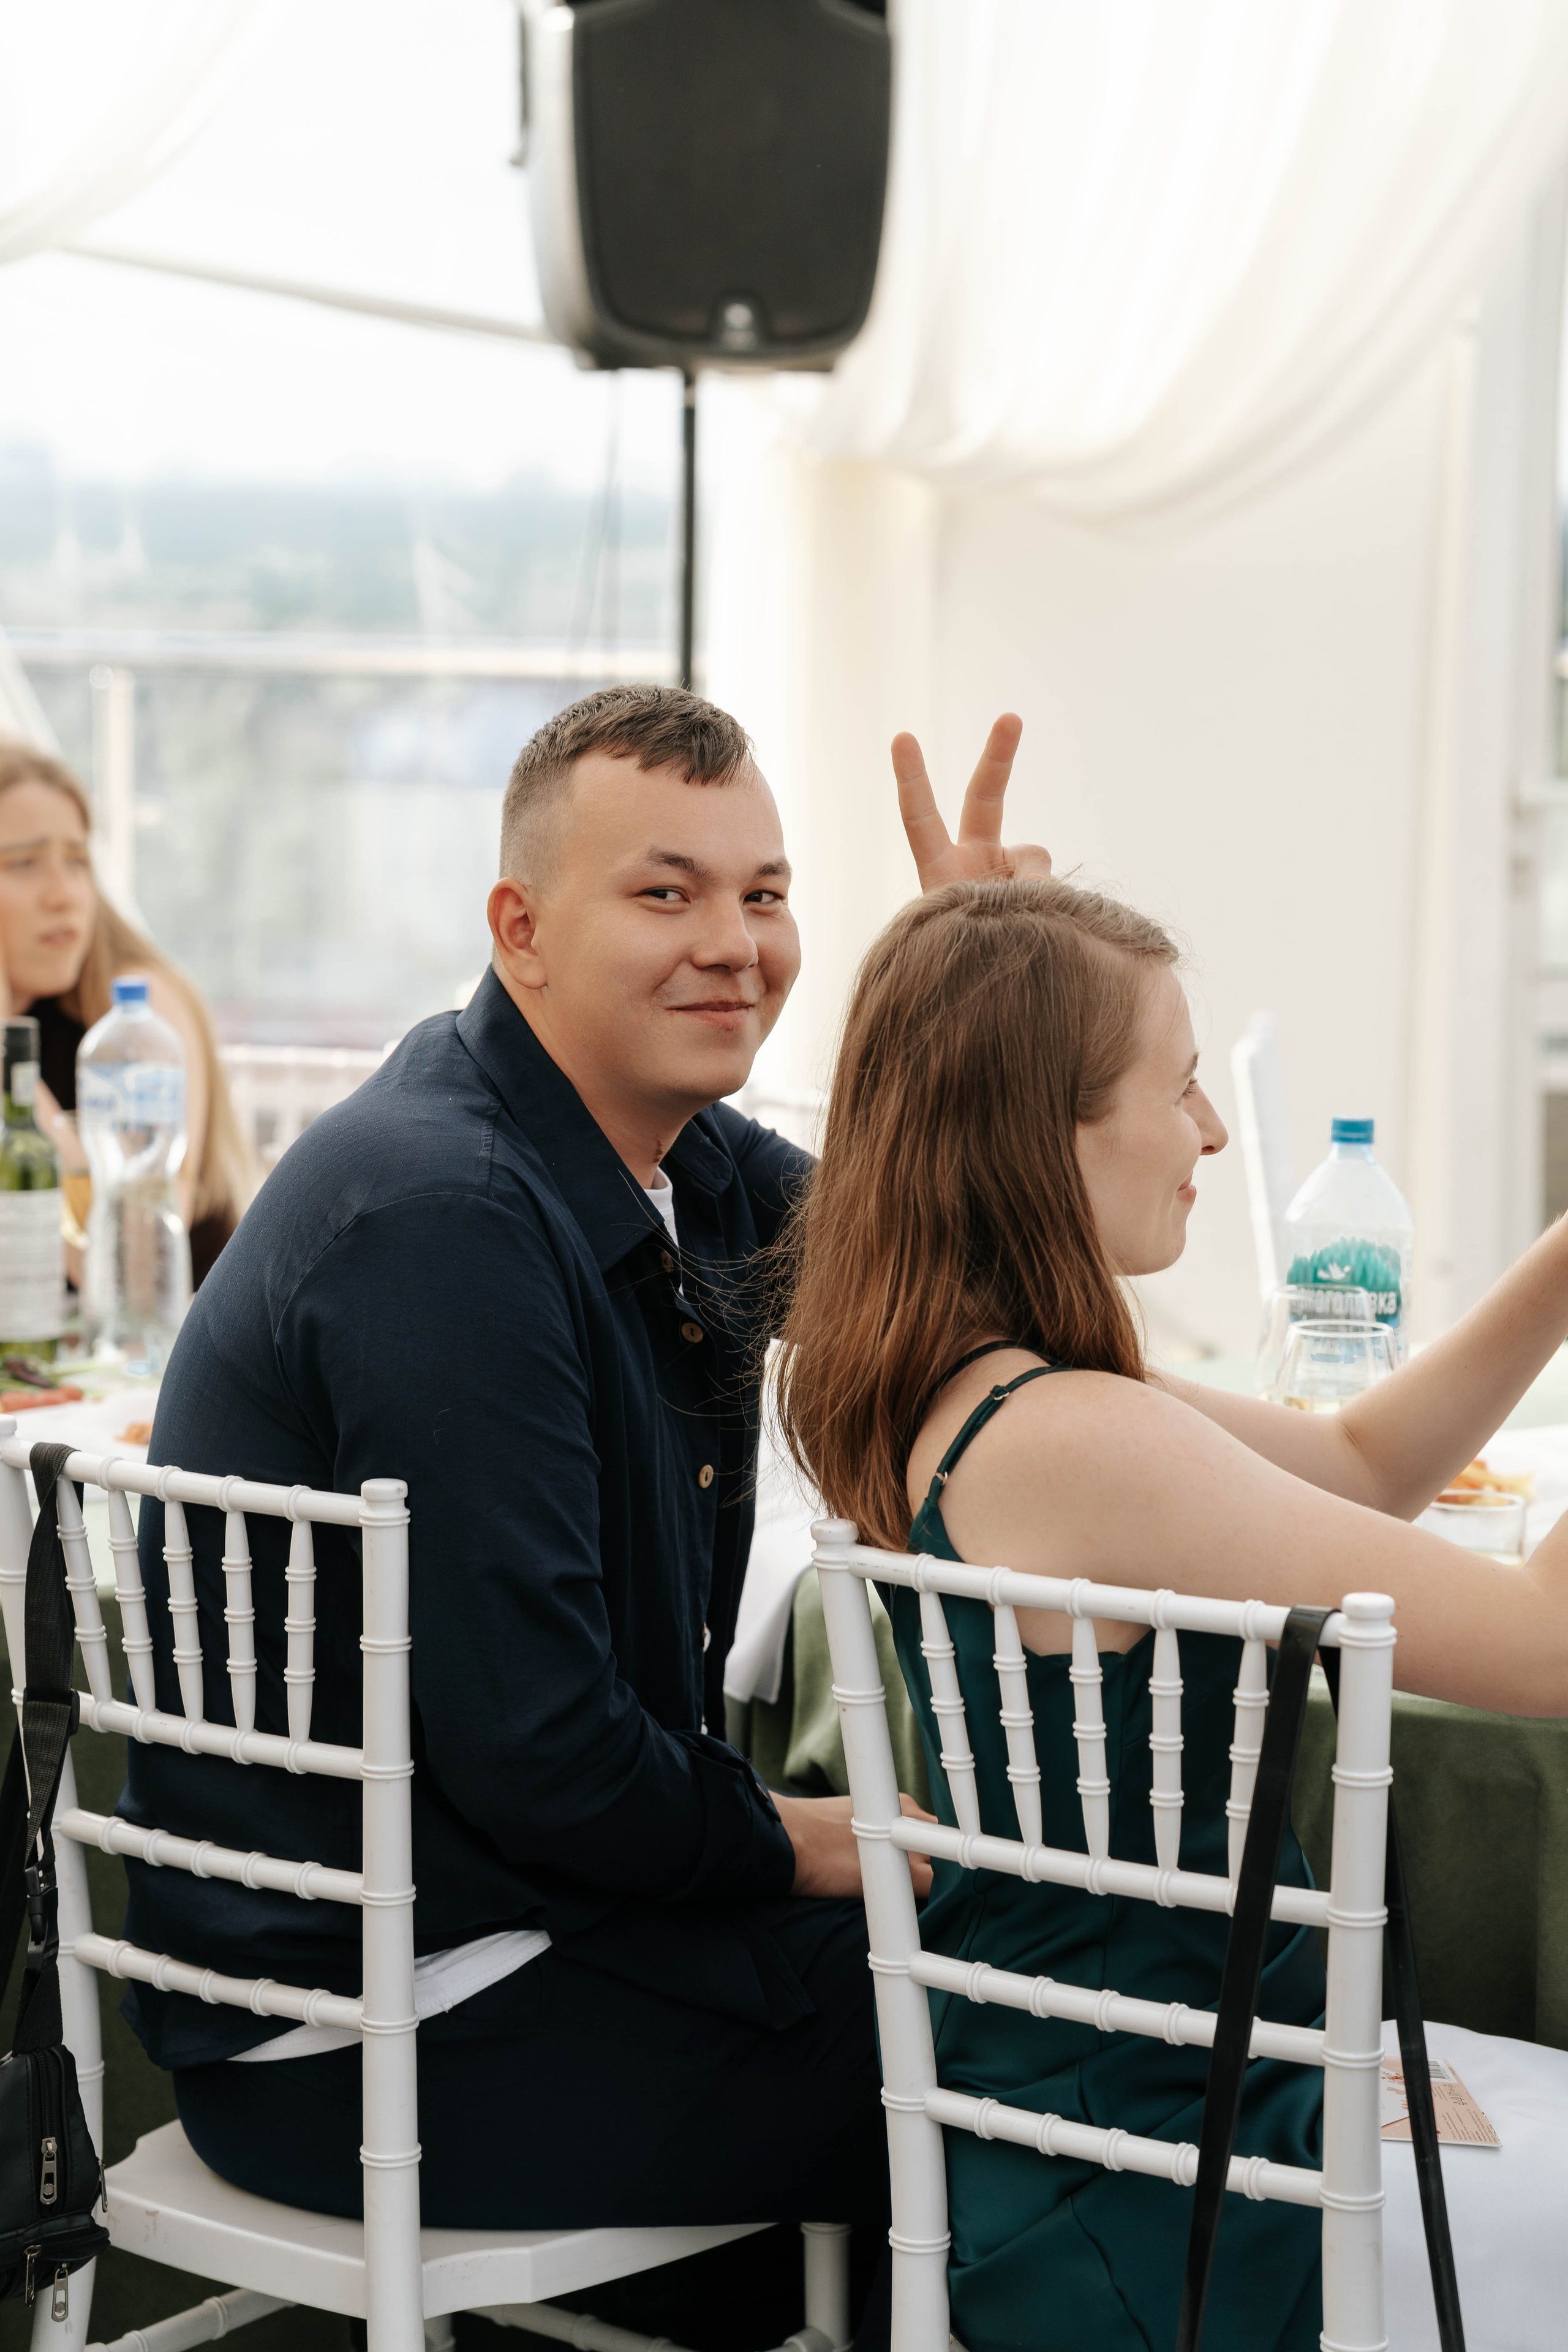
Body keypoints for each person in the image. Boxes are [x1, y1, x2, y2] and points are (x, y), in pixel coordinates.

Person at [116, 686, 1047, 2349]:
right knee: (1064, 2021)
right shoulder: (447, 1218)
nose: (735, 945)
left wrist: (975, 980)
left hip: (511, 1947)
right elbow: (549, 1755)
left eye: (764, 895)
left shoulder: (667, 1161)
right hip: (378, 2043)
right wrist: (829, 1839)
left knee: (1037, 1960)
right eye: (667, 892)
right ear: (520, 929)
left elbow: (932, 1273)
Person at [774, 837, 1568, 2352]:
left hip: (1067, 2102)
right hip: (1178, 2164)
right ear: (1045, 1135)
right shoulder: (1082, 1437)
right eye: (1177, 1084)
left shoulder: (964, 1392)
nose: (1207, 1128)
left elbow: (1359, 1457)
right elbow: (1537, 1646)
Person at [0, 740, 254, 1284]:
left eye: (77, 861)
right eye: (23, 864)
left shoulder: (139, 1014)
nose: (64, 894)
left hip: (165, 1355)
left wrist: (4, 1052)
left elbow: (129, 1273)